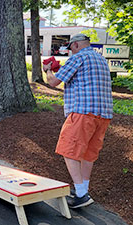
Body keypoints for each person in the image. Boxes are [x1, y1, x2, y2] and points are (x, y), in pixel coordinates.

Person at [42, 33, 113, 209]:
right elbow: (84, 79)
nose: (69, 51)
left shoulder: (78, 57)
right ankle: (83, 189)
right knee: (88, 153)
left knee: (68, 149)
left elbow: (53, 83)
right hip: (103, 114)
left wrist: (48, 70)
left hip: (82, 111)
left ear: (75, 45)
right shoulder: (100, 58)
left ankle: (81, 194)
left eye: (70, 47)